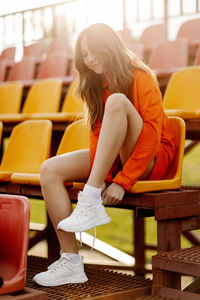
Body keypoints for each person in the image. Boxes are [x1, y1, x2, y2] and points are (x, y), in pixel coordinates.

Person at [33, 23, 176, 286]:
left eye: (94, 51)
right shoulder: (95, 84)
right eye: (84, 55)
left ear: (109, 47)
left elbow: (151, 135)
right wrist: (109, 172)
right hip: (118, 160)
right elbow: (98, 137)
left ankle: (90, 196)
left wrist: (122, 181)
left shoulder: (140, 75)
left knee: (117, 101)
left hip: (151, 159)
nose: (90, 59)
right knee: (49, 170)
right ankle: (71, 262)